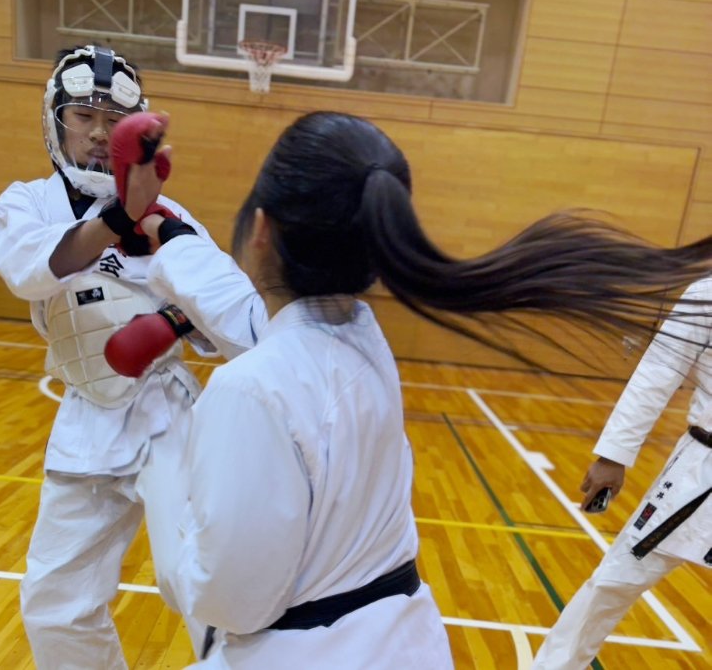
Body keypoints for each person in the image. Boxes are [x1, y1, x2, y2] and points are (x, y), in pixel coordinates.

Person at [109, 110, 712, 669]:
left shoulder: (251, 388)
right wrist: (169, 233)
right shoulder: (361, 337)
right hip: (404, 644)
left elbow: (229, 603)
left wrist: (166, 484)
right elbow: (246, 311)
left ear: (260, 228)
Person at [0, 45, 213, 670]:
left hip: (168, 413)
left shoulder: (172, 215)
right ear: (55, 120)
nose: (97, 132)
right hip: (87, 414)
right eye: (83, 115)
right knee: (55, 603)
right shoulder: (26, 203)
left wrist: (170, 318)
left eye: (113, 120)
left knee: (194, 580)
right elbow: (32, 271)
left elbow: (220, 316)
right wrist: (121, 216)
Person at [530, 278, 712, 670]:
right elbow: (657, 374)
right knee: (616, 580)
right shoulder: (706, 295)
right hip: (699, 477)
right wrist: (614, 455)